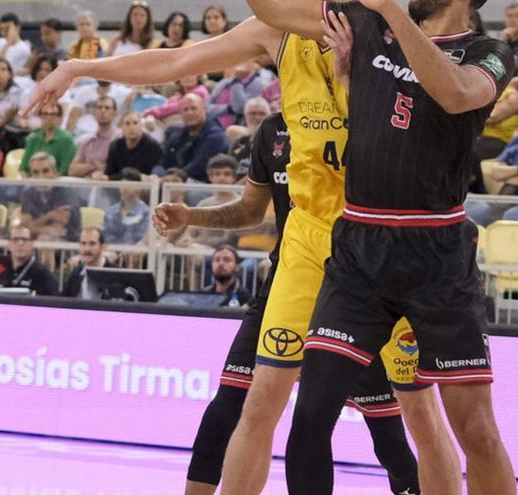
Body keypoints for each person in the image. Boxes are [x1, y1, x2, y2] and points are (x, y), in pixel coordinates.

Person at [22, 11, 426, 495]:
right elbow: (178, 59)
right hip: (307, 240)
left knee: (412, 420)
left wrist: (351, 77)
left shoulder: (384, 25)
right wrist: (79, 67)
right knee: (256, 404)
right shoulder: (275, 33)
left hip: (381, 235)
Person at [243, 0, 518, 493]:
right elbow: (271, 9)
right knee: (310, 416)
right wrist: (355, 73)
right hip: (360, 250)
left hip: (436, 253)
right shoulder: (371, 23)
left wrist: (392, 14)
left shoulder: (489, 52)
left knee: (474, 431)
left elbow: (456, 95)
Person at [154, 112, 419, 494]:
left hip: (354, 288)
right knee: (227, 408)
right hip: (286, 282)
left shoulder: (364, 111)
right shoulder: (273, 130)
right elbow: (250, 209)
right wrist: (191, 216)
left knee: (387, 436)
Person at [161, 94, 229, 182]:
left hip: (201, 184)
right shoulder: (175, 133)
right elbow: (163, 161)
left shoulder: (216, 136)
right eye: (185, 110)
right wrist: (159, 175)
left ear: (204, 109)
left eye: (193, 108)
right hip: (174, 181)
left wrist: (171, 178)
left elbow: (198, 167)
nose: (189, 113)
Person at [20, 152, 82, 242]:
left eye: (45, 171)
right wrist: (49, 216)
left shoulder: (66, 191)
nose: (41, 177)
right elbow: (25, 226)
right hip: (36, 237)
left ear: (55, 172)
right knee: (16, 238)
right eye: (36, 172)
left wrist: (33, 226)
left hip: (69, 240)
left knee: (45, 240)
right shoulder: (28, 191)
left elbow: (57, 230)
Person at [69, 96, 121, 178]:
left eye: (107, 108)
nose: (103, 111)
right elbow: (72, 170)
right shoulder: (87, 141)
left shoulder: (120, 138)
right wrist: (93, 166)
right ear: (94, 113)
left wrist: (85, 167)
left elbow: (119, 168)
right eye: (99, 108)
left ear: (115, 113)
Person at [20, 103, 77, 176]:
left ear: (60, 118)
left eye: (53, 114)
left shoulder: (67, 139)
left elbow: (64, 170)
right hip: (33, 182)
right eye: (45, 114)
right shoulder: (33, 139)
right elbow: (23, 168)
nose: (48, 117)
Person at [0, 58, 27, 153]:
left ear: (9, 75)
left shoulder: (15, 91)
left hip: (14, 133)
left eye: (3, 69)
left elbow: (10, 114)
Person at [104, 111, 163, 179]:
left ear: (141, 125)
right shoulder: (115, 146)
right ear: (121, 127)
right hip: (119, 187)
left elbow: (152, 175)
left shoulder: (153, 147)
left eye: (135, 123)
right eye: (127, 124)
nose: (132, 127)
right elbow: (109, 174)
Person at [61, 227, 117, 299]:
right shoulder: (76, 273)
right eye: (83, 243)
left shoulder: (115, 273)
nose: (86, 249)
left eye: (92, 244)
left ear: (102, 247)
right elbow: (63, 300)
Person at [3, 224, 58, 295]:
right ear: (9, 244)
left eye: (24, 240)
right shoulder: (2, 269)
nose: (20, 243)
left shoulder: (42, 274)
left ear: (32, 244)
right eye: (15, 240)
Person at [209, 60, 265, 129]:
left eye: (245, 60)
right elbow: (207, 108)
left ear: (253, 64)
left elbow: (239, 108)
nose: (240, 64)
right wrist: (228, 108)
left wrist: (237, 80)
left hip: (239, 127)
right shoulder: (225, 82)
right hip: (215, 125)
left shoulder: (257, 83)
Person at [103, 167, 150, 245]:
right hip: (113, 253)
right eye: (122, 184)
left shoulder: (146, 212)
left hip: (138, 254)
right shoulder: (110, 211)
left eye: (129, 185)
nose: (125, 188)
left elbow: (143, 238)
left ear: (139, 187)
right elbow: (107, 237)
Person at [144, 74, 210, 124]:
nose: (187, 77)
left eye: (192, 74)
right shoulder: (180, 95)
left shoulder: (200, 91)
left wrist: (153, 111)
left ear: (198, 77)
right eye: (183, 75)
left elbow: (178, 106)